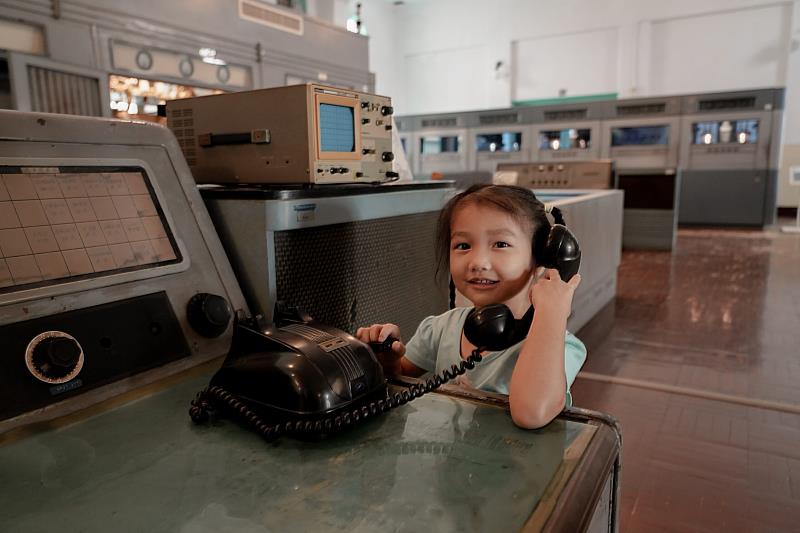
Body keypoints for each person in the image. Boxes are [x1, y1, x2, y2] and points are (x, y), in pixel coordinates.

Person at [356, 183, 586, 429]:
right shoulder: (441, 329)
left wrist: (552, 313)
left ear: (542, 257)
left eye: (500, 244)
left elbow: (531, 413)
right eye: (463, 246)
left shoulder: (561, 347)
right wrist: (387, 360)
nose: (477, 262)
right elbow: (399, 377)